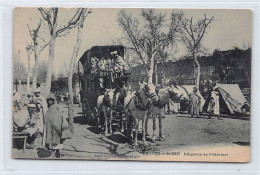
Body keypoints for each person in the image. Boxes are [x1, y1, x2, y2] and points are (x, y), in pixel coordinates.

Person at [45, 93, 69, 158]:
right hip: (51, 127)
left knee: (56, 140)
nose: (49, 101)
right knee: (53, 139)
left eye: (51, 100)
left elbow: (59, 117)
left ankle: (55, 152)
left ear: (53, 100)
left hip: (56, 126)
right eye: (48, 100)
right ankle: (56, 152)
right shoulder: (49, 109)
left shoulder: (57, 108)